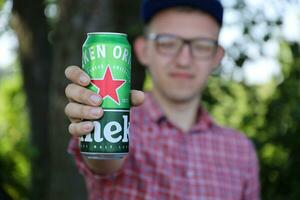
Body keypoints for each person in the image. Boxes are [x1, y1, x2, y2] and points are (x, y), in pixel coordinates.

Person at [64, 0, 260, 199]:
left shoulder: (241, 150)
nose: (184, 60)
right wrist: (92, 119)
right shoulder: (123, 125)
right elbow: (103, 164)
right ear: (143, 50)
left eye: (201, 46)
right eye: (167, 43)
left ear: (217, 57)